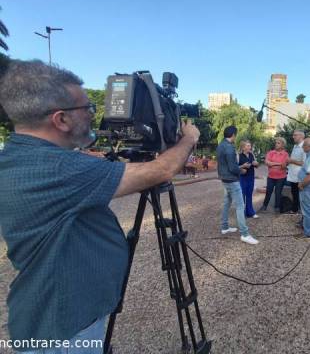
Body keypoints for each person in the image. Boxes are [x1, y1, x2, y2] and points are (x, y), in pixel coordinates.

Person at [0, 60, 201, 352]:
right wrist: (188, 139)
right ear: (61, 119)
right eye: (88, 109)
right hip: (65, 331)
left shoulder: (20, 158)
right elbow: (161, 171)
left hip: (52, 318)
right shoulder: (59, 169)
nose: (95, 116)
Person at [216, 126, 259, 245]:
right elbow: (232, 167)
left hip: (224, 179)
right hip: (232, 180)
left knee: (226, 203)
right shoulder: (229, 148)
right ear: (233, 135)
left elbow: (222, 164)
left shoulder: (220, 145)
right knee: (240, 206)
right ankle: (245, 234)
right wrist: (241, 170)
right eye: (236, 135)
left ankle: (224, 227)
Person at [259, 137, 289, 213]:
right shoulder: (271, 152)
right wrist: (279, 164)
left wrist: (273, 164)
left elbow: (284, 165)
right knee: (268, 191)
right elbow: (267, 162)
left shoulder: (285, 154)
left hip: (281, 177)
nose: (276, 144)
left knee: (278, 192)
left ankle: (277, 208)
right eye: (276, 143)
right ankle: (264, 206)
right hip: (271, 176)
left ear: (283, 145)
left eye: (278, 143)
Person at [285, 130, 306, 214]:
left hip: (300, 175)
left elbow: (304, 163)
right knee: (294, 192)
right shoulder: (295, 146)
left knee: (300, 193)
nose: (293, 137)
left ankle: (301, 210)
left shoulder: (304, 147)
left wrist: (291, 160)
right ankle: (295, 209)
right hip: (293, 174)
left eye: (295, 135)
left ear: (301, 136)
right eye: (293, 135)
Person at [238, 140, 259, 219]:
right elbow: (235, 168)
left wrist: (256, 164)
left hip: (251, 177)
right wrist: (243, 166)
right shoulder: (239, 156)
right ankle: (241, 214)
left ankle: (250, 212)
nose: (250, 147)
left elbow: (256, 165)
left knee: (249, 195)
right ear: (243, 148)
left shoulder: (251, 154)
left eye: (250, 146)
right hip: (242, 178)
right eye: (248, 146)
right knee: (242, 196)